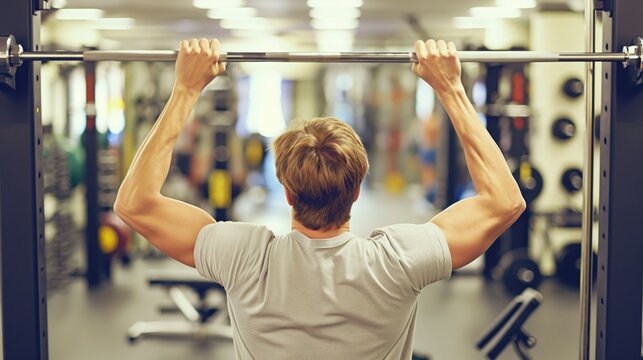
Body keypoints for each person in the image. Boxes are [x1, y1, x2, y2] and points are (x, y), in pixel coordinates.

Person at [114, 38, 526, 359]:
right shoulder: (398, 261)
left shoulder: (244, 257)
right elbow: (504, 202)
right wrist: (451, 88)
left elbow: (135, 203)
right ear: (358, 190)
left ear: (287, 193)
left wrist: (185, 89)